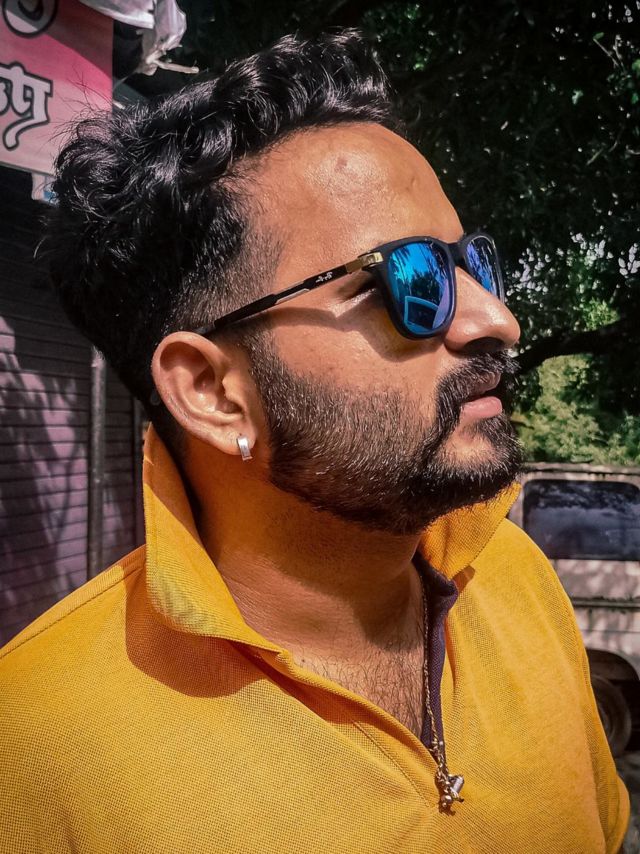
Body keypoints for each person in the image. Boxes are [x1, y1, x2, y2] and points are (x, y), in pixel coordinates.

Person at [0, 30, 630, 854]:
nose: (495, 321)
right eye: (409, 279)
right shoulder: (35, 749)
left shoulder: (517, 579)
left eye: (473, 266)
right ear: (212, 392)